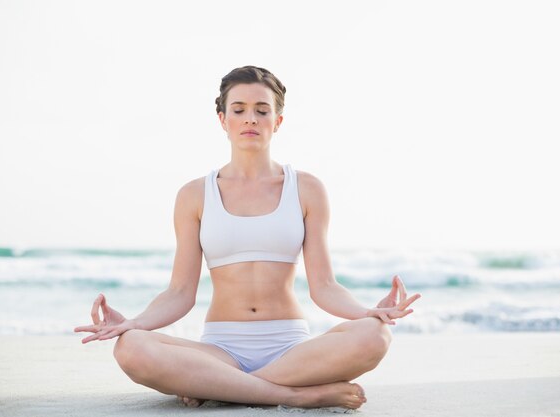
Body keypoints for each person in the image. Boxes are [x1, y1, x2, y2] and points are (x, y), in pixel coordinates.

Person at [74, 65, 421, 410]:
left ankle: (221, 387)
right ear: (223, 120)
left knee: (375, 335)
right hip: (221, 350)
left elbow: (325, 286)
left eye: (262, 110)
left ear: (278, 121)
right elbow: (180, 292)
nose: (250, 119)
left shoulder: (307, 189)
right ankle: (297, 394)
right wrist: (135, 323)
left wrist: (367, 312)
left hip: (291, 349)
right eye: (238, 110)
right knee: (131, 347)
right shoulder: (194, 195)